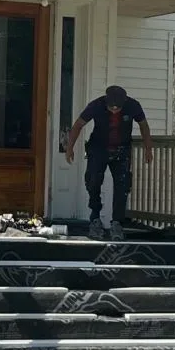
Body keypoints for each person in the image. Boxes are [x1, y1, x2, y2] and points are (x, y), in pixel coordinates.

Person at [64, 85, 154, 241]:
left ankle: (117, 223)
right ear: (106, 102)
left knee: (123, 185)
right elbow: (78, 124)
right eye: (111, 108)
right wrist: (69, 147)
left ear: (123, 103)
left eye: (117, 109)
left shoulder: (133, 106)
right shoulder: (96, 105)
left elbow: (144, 125)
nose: (114, 111)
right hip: (98, 147)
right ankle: (95, 218)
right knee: (93, 180)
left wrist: (148, 148)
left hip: (122, 148)